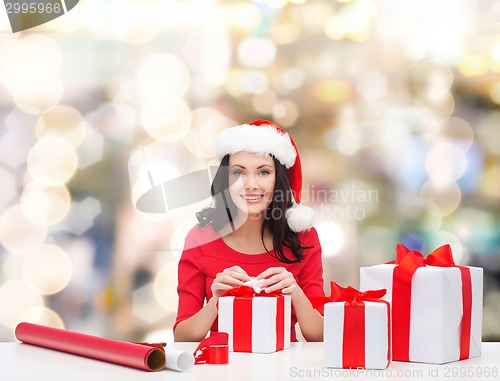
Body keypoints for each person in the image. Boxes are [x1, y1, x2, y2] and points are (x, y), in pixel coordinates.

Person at [174, 119, 324, 342]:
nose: (250, 184)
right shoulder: (200, 239)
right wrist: (217, 301)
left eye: (263, 172)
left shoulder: (304, 237)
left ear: (279, 180)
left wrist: (295, 292)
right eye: (238, 173)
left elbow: (320, 335)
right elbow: (182, 337)